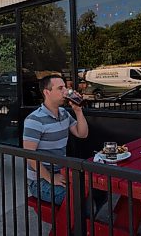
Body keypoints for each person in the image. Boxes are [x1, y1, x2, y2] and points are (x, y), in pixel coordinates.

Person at [23, 74, 89, 205]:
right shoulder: (34, 119)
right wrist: (50, 178)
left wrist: (78, 111)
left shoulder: (64, 113)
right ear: (47, 92)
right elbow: (30, 156)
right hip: (40, 180)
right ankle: (74, 225)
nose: (65, 91)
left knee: (97, 192)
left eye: (65, 87)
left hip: (62, 171)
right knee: (81, 201)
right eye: (60, 88)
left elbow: (82, 134)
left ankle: (80, 223)